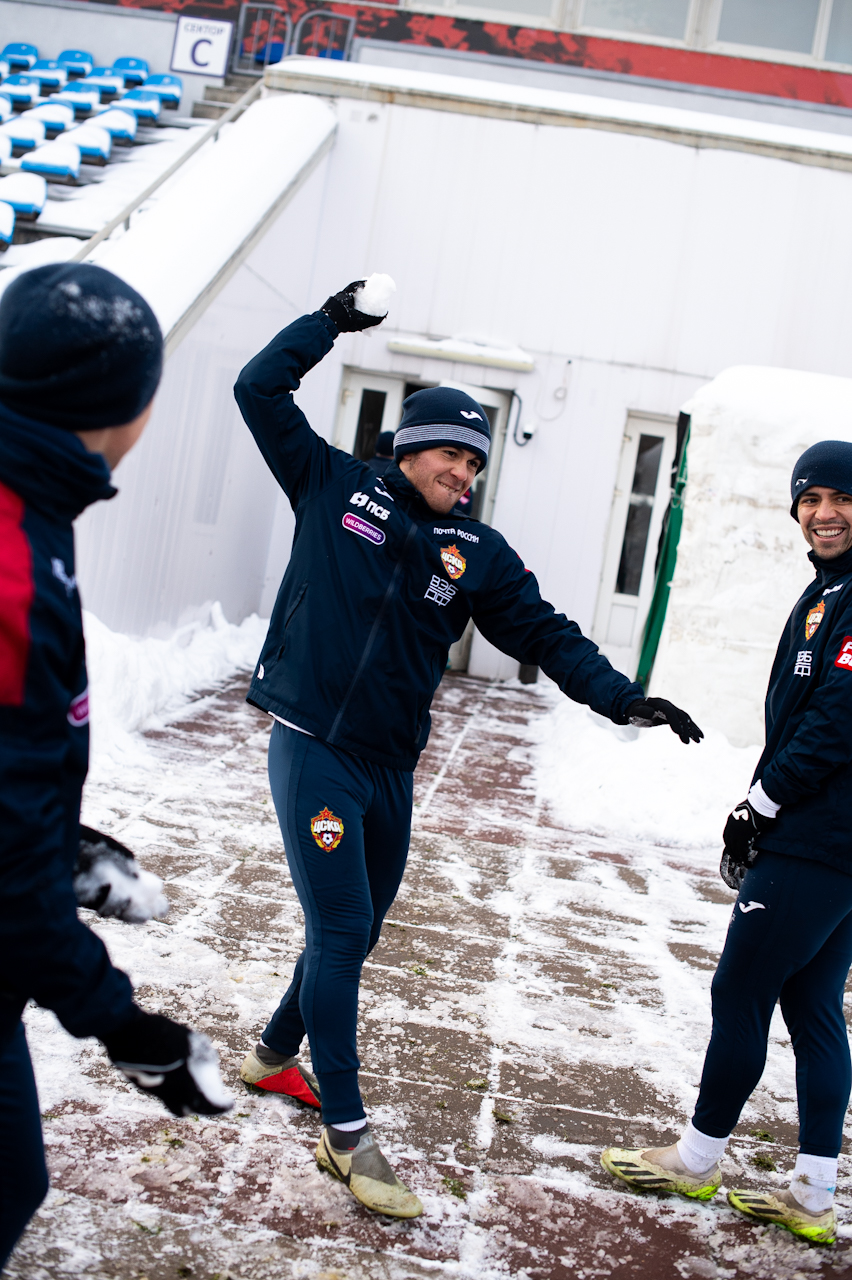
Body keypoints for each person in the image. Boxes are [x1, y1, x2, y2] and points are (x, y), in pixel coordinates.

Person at [233, 279, 702, 1219]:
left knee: (357, 931)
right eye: (451, 452)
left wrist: (620, 697)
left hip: (389, 767)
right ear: (409, 448)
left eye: (475, 460)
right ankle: (348, 1134)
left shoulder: (476, 550)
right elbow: (258, 388)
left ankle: (274, 1055)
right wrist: (329, 323)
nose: (464, 471)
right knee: (340, 931)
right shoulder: (331, 484)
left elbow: (546, 632)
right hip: (313, 745)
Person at [0, 264, 232, 1272]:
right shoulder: (15, 566)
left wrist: (63, 843)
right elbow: (9, 894)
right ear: (124, 407)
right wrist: (128, 1028)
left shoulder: (26, 502)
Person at [602, 440, 852, 1246]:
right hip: (827, 836)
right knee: (813, 1005)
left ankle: (698, 1158)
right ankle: (814, 1193)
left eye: (842, 499)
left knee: (740, 991)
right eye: (810, 500)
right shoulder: (827, 590)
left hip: (820, 835)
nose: (825, 514)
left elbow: (838, 719)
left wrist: (761, 805)